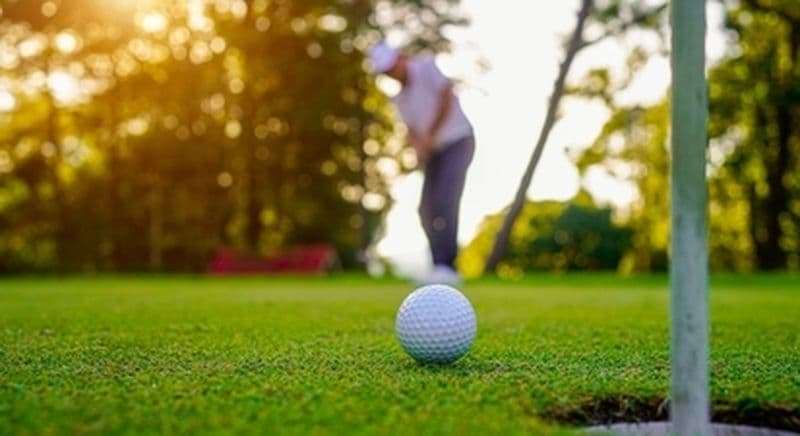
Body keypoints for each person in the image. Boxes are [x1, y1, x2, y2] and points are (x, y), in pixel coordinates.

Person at [369, 42, 475, 285]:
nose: (391, 73)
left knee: (445, 200)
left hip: (457, 141)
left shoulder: (425, 66)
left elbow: (446, 97)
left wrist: (429, 135)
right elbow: (411, 130)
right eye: (385, 72)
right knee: (426, 209)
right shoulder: (400, 99)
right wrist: (418, 148)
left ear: (399, 58)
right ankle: (438, 265)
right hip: (435, 152)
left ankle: (449, 266)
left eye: (391, 67)